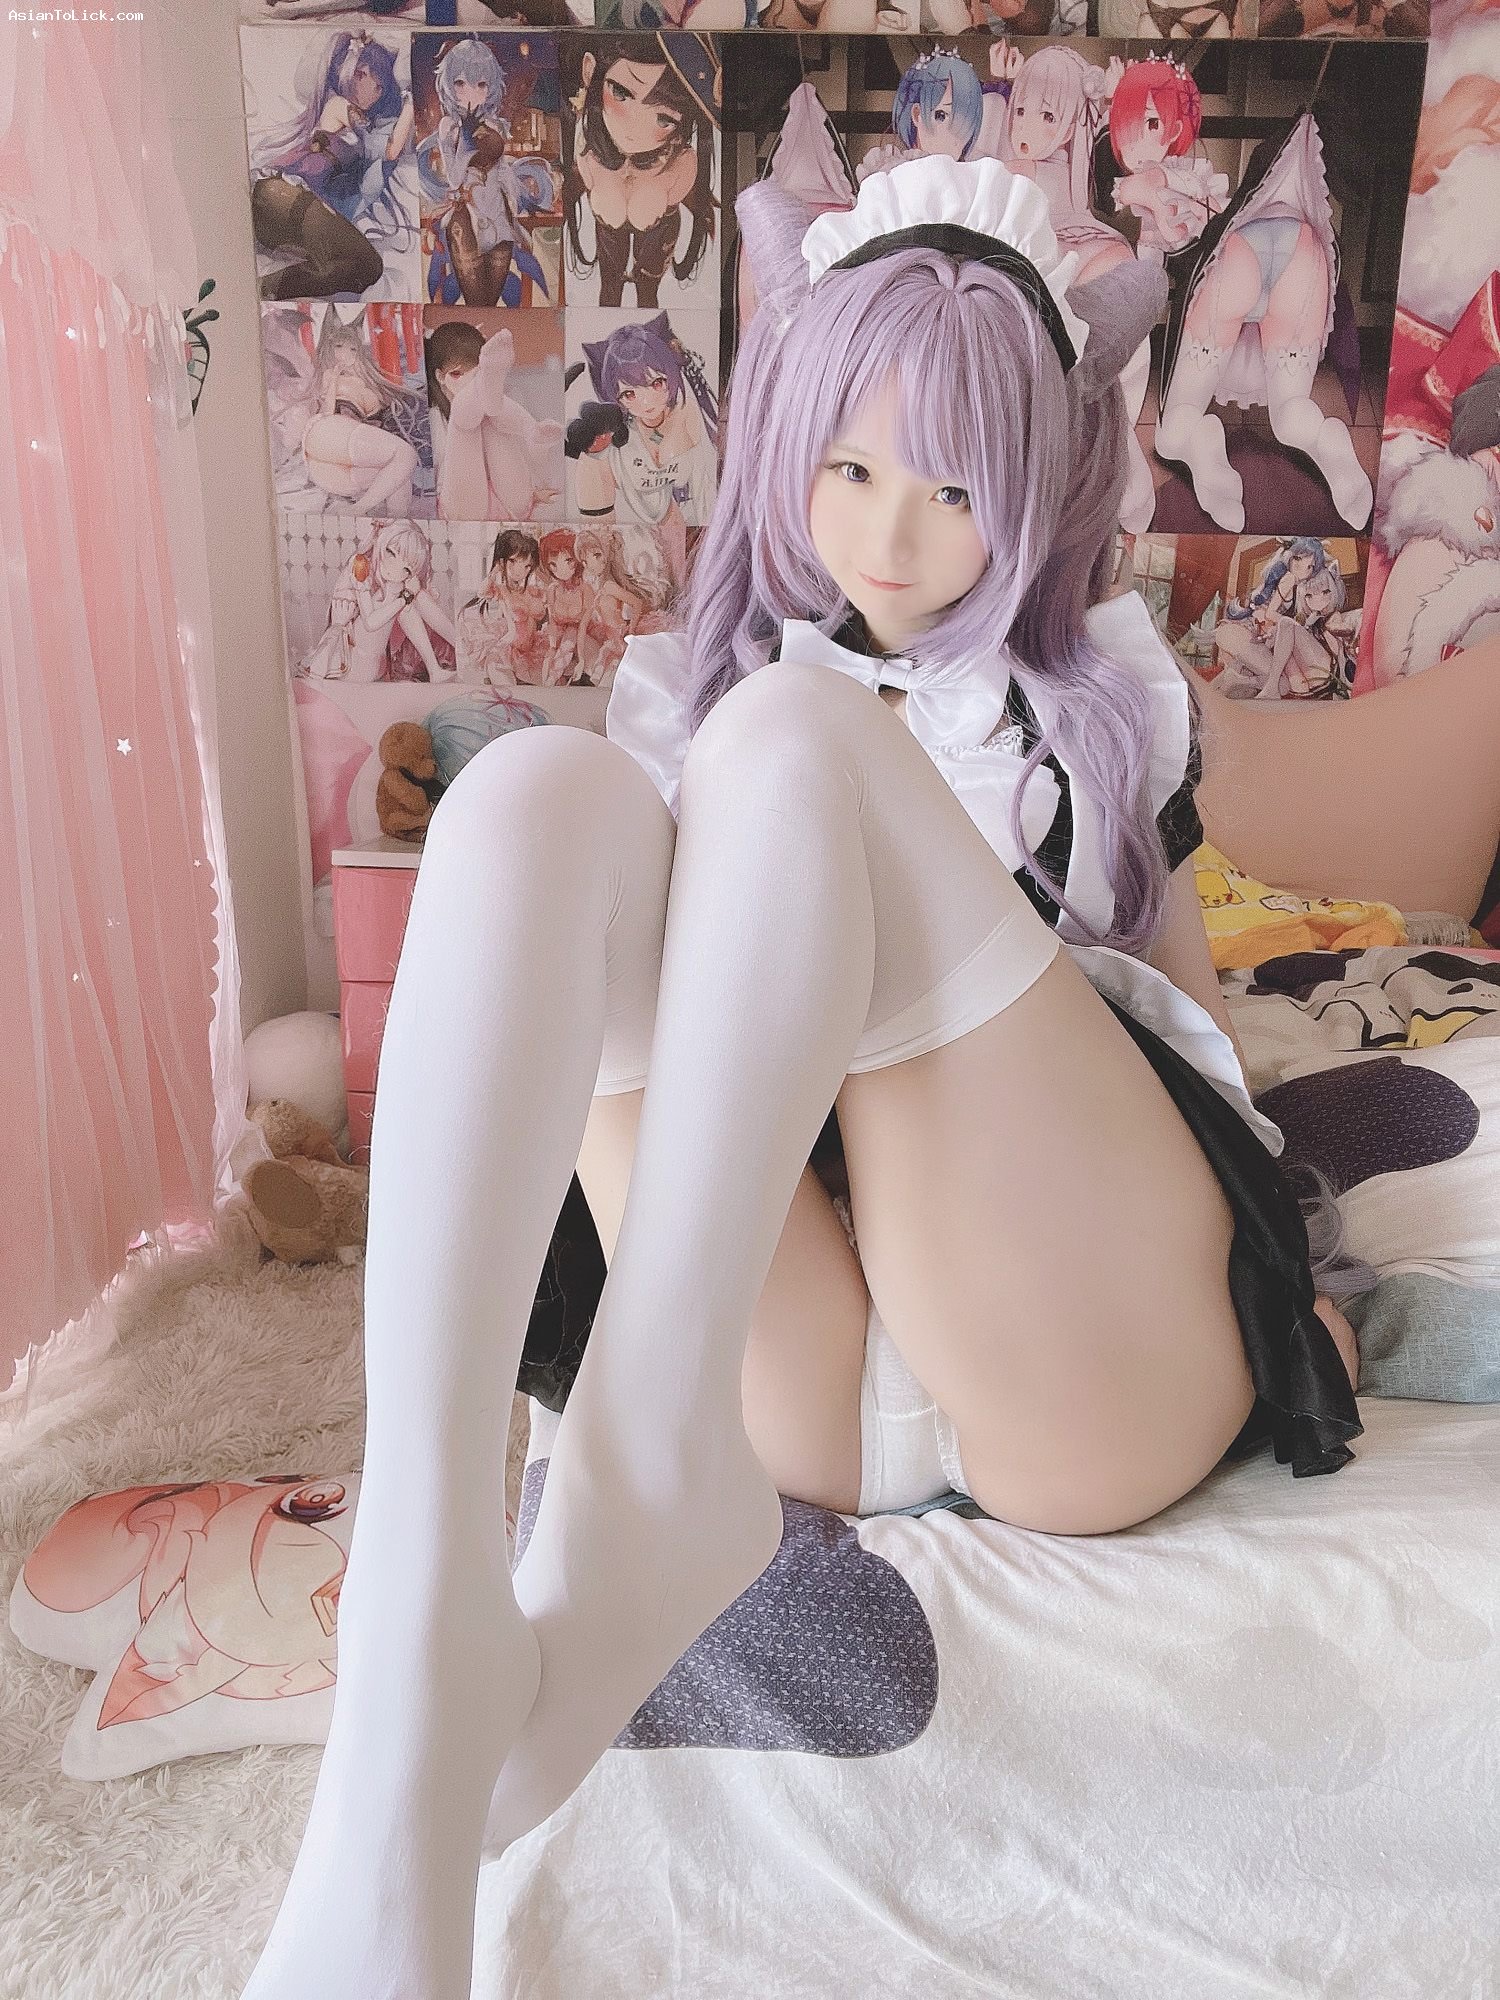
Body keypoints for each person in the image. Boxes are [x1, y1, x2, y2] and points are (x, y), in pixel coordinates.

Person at [238, 156, 1361, 2000]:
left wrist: (1300, 1265)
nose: (890, 536)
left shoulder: (1103, 703)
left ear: (1039, 487)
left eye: (954, 487)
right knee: (530, 794)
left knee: (789, 736)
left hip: (1073, 1354)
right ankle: (419, 1627)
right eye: (847, 467)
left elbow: (1191, 1035)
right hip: (792, 1360)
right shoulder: (700, 694)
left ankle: (642, 1453)